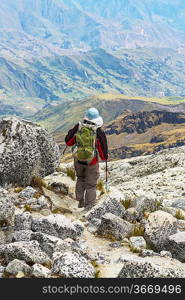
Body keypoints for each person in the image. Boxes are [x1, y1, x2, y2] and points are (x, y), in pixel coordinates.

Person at [65, 107, 108, 209]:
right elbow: (103, 154)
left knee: (80, 179)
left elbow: (68, 142)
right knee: (90, 185)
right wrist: (104, 157)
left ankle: (79, 202)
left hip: (78, 160)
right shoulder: (98, 131)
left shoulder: (79, 127)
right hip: (91, 162)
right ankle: (89, 206)